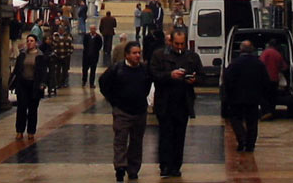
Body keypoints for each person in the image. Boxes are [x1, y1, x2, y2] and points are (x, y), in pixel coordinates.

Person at [149, 30, 203, 178]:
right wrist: (169, 75)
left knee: (179, 137)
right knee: (165, 136)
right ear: (170, 42)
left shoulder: (192, 57)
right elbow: (153, 74)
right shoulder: (159, 55)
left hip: (183, 103)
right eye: (177, 44)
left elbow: (202, 76)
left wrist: (194, 80)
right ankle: (165, 165)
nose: (179, 47)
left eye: (182, 44)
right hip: (165, 102)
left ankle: (176, 166)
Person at [99, 41, 152, 182]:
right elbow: (103, 83)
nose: (137, 56)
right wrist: (113, 101)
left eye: (139, 53)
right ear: (126, 55)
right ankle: (120, 167)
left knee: (136, 142)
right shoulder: (117, 69)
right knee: (120, 140)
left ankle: (133, 169)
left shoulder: (144, 70)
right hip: (122, 111)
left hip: (139, 111)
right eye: (134, 53)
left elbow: (147, 85)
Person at [222, 40, 271, 152]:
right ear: (252, 50)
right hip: (253, 99)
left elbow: (227, 80)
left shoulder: (234, 64)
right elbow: (266, 81)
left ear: (241, 50)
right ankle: (250, 144)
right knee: (252, 122)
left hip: (236, 99)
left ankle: (241, 138)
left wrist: (229, 95)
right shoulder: (259, 64)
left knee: (236, 119)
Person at [11, 34, 48, 140]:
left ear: (36, 43)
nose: (29, 43)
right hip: (23, 84)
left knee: (32, 109)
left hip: (34, 85)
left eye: (31, 41)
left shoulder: (40, 56)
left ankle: (31, 130)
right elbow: (17, 69)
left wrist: (43, 83)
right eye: (28, 41)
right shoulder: (22, 55)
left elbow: (43, 72)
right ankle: (19, 130)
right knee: (21, 108)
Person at [259, 38, 288, 119]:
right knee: (272, 97)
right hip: (275, 79)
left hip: (264, 79)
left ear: (269, 45)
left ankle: (266, 111)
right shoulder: (278, 54)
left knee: (263, 96)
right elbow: (284, 67)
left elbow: (260, 64)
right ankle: (271, 112)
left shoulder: (265, 53)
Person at [51, 22, 74, 90]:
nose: (61, 31)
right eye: (60, 29)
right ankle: (58, 83)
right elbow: (52, 45)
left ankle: (64, 82)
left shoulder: (68, 36)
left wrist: (69, 53)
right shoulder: (55, 36)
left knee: (65, 70)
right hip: (57, 56)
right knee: (57, 70)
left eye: (62, 29)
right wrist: (54, 52)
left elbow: (70, 46)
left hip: (66, 56)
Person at [82, 24, 104, 88]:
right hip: (86, 56)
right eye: (91, 29)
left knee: (93, 70)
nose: (92, 30)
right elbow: (84, 44)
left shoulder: (98, 37)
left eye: (94, 29)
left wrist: (96, 51)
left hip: (94, 56)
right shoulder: (86, 36)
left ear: (95, 29)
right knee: (85, 69)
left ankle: (91, 83)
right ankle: (84, 81)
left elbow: (100, 45)